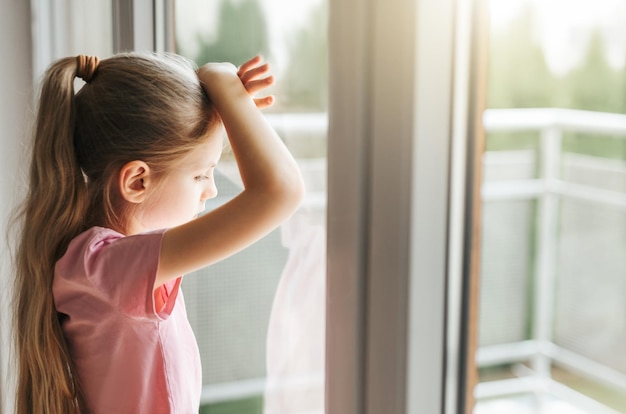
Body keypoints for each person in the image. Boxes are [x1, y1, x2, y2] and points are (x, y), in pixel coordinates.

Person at [12, 52, 304, 414]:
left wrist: (230, 109)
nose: (211, 189)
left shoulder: (102, 267)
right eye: (201, 174)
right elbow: (280, 191)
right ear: (137, 181)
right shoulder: (109, 270)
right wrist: (221, 81)